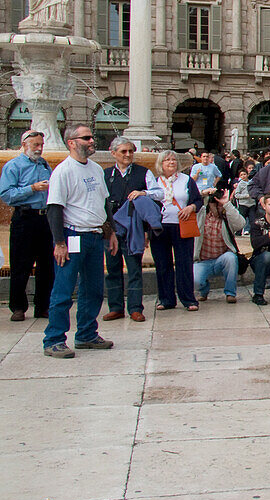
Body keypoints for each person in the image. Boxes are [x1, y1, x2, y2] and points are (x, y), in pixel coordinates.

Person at [42, 124, 117, 358]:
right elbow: (54, 209)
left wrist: (111, 231)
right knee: (64, 290)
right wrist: (59, 243)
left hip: (95, 236)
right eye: (86, 138)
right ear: (72, 142)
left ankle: (86, 334)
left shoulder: (95, 168)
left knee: (94, 289)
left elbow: (104, 203)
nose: (92, 141)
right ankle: (54, 339)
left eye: (92, 137)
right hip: (73, 236)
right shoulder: (63, 171)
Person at [102, 136, 163, 322]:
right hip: (111, 229)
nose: (128, 155)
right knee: (112, 269)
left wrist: (144, 193)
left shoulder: (143, 173)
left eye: (130, 151)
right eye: (123, 152)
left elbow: (159, 193)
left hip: (133, 230)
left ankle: (135, 308)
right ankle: (116, 307)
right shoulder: (105, 174)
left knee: (134, 269)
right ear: (114, 154)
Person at [0, 129, 53, 321]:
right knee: (21, 264)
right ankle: (18, 307)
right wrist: (32, 188)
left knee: (47, 265)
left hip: (44, 219)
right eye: (35, 145)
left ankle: (43, 306)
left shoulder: (44, 165)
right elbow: (6, 194)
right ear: (24, 145)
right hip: (25, 218)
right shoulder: (13, 166)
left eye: (41, 145)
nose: (39, 149)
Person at [150, 150, 202, 311]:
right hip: (160, 227)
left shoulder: (186, 180)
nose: (171, 162)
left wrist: (190, 208)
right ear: (161, 164)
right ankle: (166, 299)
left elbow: (198, 200)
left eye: (173, 159)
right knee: (162, 264)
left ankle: (188, 299)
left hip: (182, 225)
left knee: (184, 263)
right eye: (167, 160)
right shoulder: (154, 181)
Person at [192, 189, 246, 303]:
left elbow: (241, 223)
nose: (219, 208)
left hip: (221, 260)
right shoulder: (202, 216)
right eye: (216, 205)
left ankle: (230, 293)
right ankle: (204, 290)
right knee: (195, 280)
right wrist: (203, 195)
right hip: (202, 261)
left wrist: (227, 204)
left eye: (221, 205)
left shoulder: (226, 219)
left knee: (231, 258)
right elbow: (192, 205)